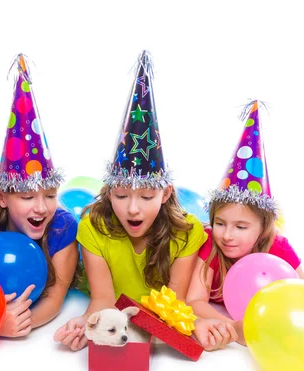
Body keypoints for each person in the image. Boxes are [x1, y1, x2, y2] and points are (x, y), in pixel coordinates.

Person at [54, 51, 237, 352]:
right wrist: (89, 322)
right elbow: (103, 297)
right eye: (122, 195)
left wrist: (193, 326)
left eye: (147, 196)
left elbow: (174, 301)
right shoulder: (93, 227)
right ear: (108, 192)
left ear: (165, 194)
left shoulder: (187, 231)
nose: (133, 208)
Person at [0, 54, 79, 338]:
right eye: (27, 198)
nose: (42, 208)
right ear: (2, 197)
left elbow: (54, 297)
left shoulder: (63, 227)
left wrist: (23, 325)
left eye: (50, 195)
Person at [187, 100, 304, 349]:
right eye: (220, 223)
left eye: (241, 227)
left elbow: (302, 297)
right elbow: (194, 300)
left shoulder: (279, 248)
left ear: (263, 227)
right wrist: (233, 328)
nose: (227, 235)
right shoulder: (210, 242)